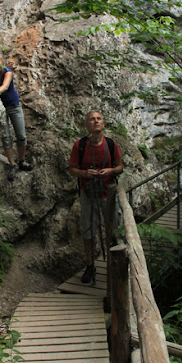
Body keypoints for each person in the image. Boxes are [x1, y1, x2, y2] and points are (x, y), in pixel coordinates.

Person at [68, 111, 123, 284]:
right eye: (92, 119)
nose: (96, 121)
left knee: (114, 228)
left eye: (99, 119)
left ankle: (115, 265)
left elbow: (120, 167)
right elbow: (72, 169)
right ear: (86, 125)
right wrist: (84, 173)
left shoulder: (111, 144)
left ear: (103, 124)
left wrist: (110, 171)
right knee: (88, 230)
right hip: (88, 193)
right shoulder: (80, 145)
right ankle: (91, 266)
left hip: (109, 192)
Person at [0, 53, 34, 181]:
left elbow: (5, 87)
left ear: (2, 61)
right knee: (6, 138)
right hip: (0, 109)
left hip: (14, 106)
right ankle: (13, 165)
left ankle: (22, 161)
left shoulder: (7, 72)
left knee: (21, 135)